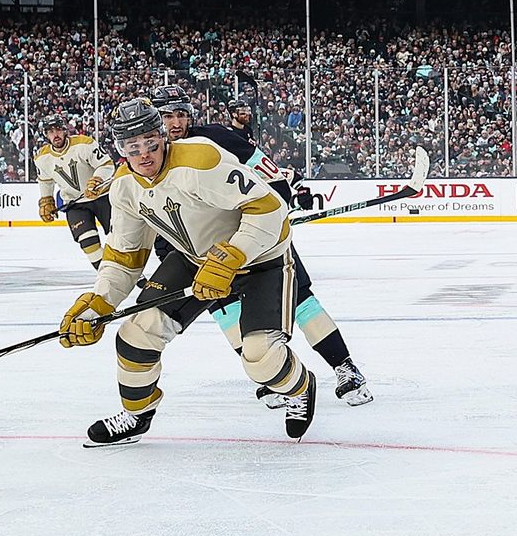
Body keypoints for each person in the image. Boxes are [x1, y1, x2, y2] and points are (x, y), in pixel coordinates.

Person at [57, 97, 316, 445]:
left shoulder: (201, 160)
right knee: (136, 336)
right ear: (121, 149)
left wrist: (234, 255)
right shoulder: (124, 187)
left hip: (261, 258)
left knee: (260, 359)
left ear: (163, 137)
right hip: (195, 260)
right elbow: (124, 255)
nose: (144, 155)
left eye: (151, 143)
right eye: (133, 148)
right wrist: (99, 302)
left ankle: (300, 388)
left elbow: (271, 209)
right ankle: (137, 414)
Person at [154, 91, 371, 406]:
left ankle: (345, 367)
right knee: (228, 313)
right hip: (206, 254)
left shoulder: (215, 138)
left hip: (254, 240)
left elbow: (269, 174)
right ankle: (274, 375)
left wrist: (274, 214)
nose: (176, 123)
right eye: (167, 116)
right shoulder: (147, 161)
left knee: (300, 300)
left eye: (181, 114)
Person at [34, 119, 115, 260]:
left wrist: (97, 181)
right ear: (46, 135)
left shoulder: (84, 144)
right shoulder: (42, 158)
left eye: (58, 130)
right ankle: (109, 273)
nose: (55, 135)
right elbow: (45, 181)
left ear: (65, 131)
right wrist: (46, 199)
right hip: (75, 204)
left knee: (121, 240)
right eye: (51, 132)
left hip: (103, 196)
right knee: (88, 244)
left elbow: (106, 165)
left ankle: (132, 273)